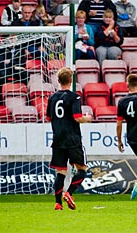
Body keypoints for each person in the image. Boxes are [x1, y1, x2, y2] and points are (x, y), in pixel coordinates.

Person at [46, 67, 92, 210]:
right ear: (71, 80)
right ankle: (69, 193)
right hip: (72, 139)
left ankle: (58, 203)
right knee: (82, 169)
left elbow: (48, 118)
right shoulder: (74, 97)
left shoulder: (52, 98)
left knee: (60, 172)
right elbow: (77, 118)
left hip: (58, 139)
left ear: (58, 81)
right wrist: (87, 118)